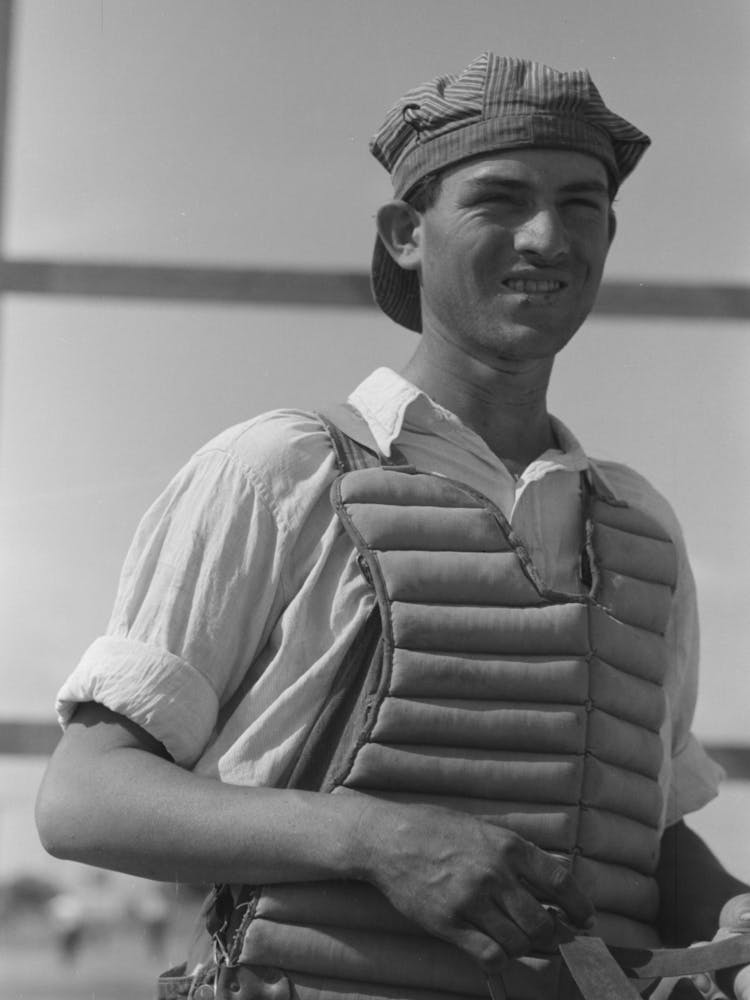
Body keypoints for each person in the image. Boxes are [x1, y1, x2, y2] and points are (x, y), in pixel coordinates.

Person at [35, 53, 750, 1000]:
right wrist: (372, 838)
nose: (547, 236)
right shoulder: (282, 472)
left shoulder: (641, 529)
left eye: (581, 206)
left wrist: (735, 917)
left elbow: (645, 835)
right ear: (407, 235)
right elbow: (83, 797)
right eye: (501, 199)